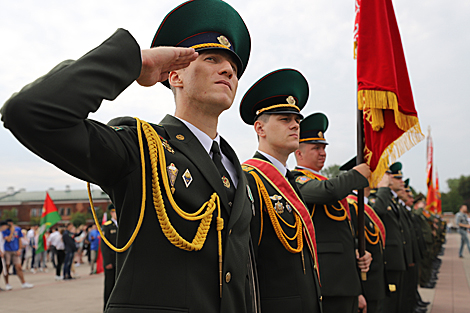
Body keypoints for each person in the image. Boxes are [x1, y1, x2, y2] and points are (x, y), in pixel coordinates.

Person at [1, 1, 257, 311]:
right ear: (175, 76)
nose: (228, 69)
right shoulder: (141, 147)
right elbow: (29, 112)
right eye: (212, 59)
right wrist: (133, 61)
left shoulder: (235, 170)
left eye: (233, 66)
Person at [240, 69, 321, 312]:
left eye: (297, 120)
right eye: (285, 119)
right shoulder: (249, 179)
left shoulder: (290, 181)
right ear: (260, 128)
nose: (295, 125)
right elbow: (247, 265)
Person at [291, 113, 371, 313]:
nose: (322, 153)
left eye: (324, 148)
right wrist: (357, 174)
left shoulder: (320, 181)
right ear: (299, 154)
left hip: (345, 281)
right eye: (316, 148)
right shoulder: (297, 180)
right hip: (328, 283)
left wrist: (356, 253)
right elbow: (329, 192)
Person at [1, 219, 34, 290]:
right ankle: (7, 283)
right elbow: (8, 239)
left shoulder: (18, 229)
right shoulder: (4, 230)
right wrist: (12, 231)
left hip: (15, 250)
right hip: (7, 250)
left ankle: (23, 282)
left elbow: (19, 239)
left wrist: (19, 249)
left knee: (19, 266)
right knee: (6, 267)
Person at [101, 204, 118, 309]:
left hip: (120, 261)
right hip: (111, 261)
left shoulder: (122, 224)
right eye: (114, 211)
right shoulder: (107, 226)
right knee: (109, 286)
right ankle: (107, 308)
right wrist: (107, 262)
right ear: (111, 213)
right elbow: (104, 246)